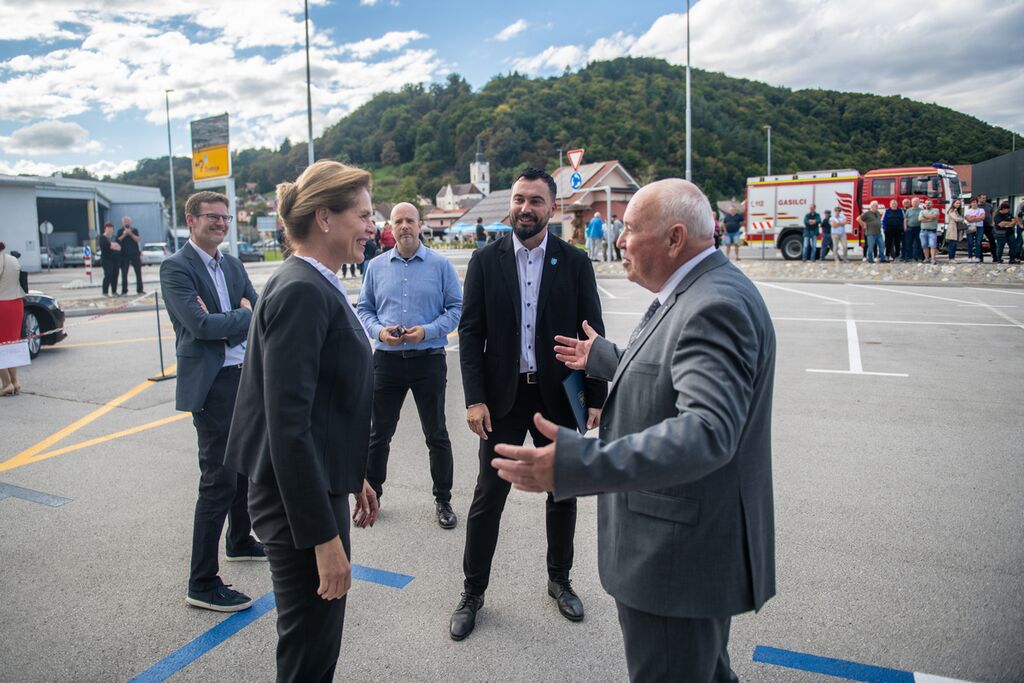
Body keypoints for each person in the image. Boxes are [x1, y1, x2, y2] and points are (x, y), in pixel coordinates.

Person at [492, 178, 776, 683]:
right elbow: (670, 373)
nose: (619, 240)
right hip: (682, 554)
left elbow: (706, 432)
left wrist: (578, 463)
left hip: (674, 561)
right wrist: (606, 359)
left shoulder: (714, 306)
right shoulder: (700, 289)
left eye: (629, 229)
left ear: (674, 239)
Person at [223, 160, 379, 683]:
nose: (372, 226)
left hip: (311, 489)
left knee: (315, 644)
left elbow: (319, 408)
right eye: (363, 215)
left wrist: (351, 474)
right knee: (309, 653)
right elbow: (288, 426)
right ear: (324, 218)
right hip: (297, 509)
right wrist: (323, 540)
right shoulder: (302, 290)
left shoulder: (313, 282)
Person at [450, 167, 607, 641]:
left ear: (552, 208)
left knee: (562, 490)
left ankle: (560, 580)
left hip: (557, 395)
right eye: (519, 199)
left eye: (536, 200)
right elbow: (471, 333)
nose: (525, 208)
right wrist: (475, 398)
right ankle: (472, 592)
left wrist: (595, 397)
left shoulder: (574, 262)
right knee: (488, 497)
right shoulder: (485, 260)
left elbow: (592, 333)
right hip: (503, 398)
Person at [159, 192, 264, 613]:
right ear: (191, 220)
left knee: (243, 468)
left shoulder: (233, 265)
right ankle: (201, 582)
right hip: (213, 384)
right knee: (218, 480)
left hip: (244, 377)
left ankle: (239, 540)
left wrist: (235, 318)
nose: (221, 223)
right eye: (212, 217)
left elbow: (259, 312)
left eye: (225, 217)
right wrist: (241, 315)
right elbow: (201, 327)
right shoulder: (176, 268)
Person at [356, 202, 462, 529]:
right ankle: (372, 496)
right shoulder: (375, 267)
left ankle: (443, 499)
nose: (404, 226)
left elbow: (456, 309)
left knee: (436, 433)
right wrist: (379, 332)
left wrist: (426, 331)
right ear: (390, 227)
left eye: (410, 220)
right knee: (378, 434)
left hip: (428, 360)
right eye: (398, 221)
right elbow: (364, 309)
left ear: (420, 225)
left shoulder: (440, 265)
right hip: (386, 361)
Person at [0, 241, 26, 397]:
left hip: (2, 303)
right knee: (10, 345)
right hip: (17, 304)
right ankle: (15, 382)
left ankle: (6, 384)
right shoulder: (13, 260)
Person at [117, 215, 144, 294]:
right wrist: (124, 234)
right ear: (122, 223)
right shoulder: (120, 231)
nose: (126, 223)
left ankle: (140, 290)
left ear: (130, 222)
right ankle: (124, 290)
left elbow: (138, 239)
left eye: (128, 222)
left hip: (135, 254)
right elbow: (118, 240)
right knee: (124, 273)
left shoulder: (135, 230)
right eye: (125, 222)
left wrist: (131, 234)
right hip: (124, 255)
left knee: (138, 272)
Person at [98, 222, 121, 297]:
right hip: (106, 259)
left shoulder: (115, 237)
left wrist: (113, 245)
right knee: (108, 274)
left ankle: (114, 291)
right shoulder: (102, 237)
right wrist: (113, 245)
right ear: (105, 229)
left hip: (115, 259)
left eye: (111, 228)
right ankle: (105, 292)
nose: (110, 230)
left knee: (115, 275)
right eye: (108, 228)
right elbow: (106, 246)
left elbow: (119, 246)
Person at [963, 198, 985, 263]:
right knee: (970, 242)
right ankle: (970, 257)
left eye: (975, 202)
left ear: (977, 203)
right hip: (970, 227)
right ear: (970, 203)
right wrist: (977, 218)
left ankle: (977, 257)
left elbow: (982, 217)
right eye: (972, 202)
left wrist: (973, 218)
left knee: (978, 242)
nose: (974, 203)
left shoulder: (981, 210)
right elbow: (968, 219)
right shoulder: (968, 211)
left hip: (979, 227)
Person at [919, 199, 940, 264]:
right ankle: (926, 258)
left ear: (932, 204)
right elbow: (920, 219)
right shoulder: (922, 211)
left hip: (932, 231)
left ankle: (933, 259)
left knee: (933, 245)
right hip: (923, 231)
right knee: (924, 245)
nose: (927, 204)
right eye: (926, 203)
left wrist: (925, 217)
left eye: (929, 203)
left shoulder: (936, 210)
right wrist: (930, 219)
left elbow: (934, 216)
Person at [945, 198, 966, 262]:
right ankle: (951, 258)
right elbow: (956, 219)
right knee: (952, 244)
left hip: (957, 228)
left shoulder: (957, 211)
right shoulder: (952, 210)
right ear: (953, 203)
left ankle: (953, 257)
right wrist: (962, 218)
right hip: (952, 228)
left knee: (955, 244)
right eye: (956, 203)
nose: (958, 204)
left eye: (959, 203)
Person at [902, 198, 923, 262]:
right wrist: (905, 227)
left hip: (918, 228)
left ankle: (919, 257)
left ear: (919, 203)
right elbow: (905, 219)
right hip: (909, 228)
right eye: (914, 202)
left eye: (916, 202)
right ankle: (908, 257)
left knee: (919, 243)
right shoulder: (908, 210)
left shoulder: (921, 210)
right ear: (911, 203)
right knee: (908, 243)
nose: (915, 203)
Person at [978, 194, 995, 263]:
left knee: (992, 240)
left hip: (988, 225)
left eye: (985, 198)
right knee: (979, 241)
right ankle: (980, 257)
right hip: (980, 225)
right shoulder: (976, 206)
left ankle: (995, 256)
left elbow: (993, 212)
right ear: (979, 198)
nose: (984, 199)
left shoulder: (989, 205)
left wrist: (993, 221)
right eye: (982, 198)